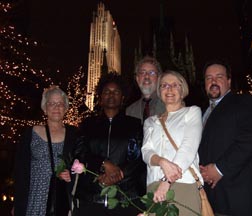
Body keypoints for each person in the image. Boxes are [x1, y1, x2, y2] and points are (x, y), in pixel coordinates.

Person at [198, 59, 252, 216]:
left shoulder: (245, 102)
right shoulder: (201, 113)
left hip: (244, 200)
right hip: (214, 201)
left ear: (229, 81)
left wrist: (219, 169)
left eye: (219, 76)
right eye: (208, 78)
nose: (213, 81)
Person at [73, 73, 146, 216]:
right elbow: (80, 152)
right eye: (106, 91)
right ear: (100, 97)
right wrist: (103, 164)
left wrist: (118, 174)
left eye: (116, 92)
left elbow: (139, 157)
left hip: (125, 198)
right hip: (91, 197)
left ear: (122, 97)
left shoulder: (134, 124)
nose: (111, 95)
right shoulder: (87, 124)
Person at [141, 70, 203, 216]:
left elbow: (188, 148)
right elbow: (146, 151)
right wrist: (161, 161)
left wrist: (166, 183)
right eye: (164, 85)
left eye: (175, 85)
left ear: (183, 90)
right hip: (154, 188)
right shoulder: (150, 121)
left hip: (183, 185)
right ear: (159, 91)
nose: (169, 89)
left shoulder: (192, 112)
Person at [13, 85, 79, 216]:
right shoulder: (31, 133)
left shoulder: (74, 135)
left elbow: (81, 164)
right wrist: (18, 201)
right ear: (45, 108)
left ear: (66, 108)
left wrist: (70, 173)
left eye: (60, 103)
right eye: (51, 103)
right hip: (33, 198)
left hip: (60, 200)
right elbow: (20, 170)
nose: (56, 107)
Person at [126, 56, 166, 124]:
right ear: (137, 79)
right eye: (142, 72)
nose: (147, 76)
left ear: (159, 78)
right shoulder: (129, 111)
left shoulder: (169, 105)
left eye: (152, 73)